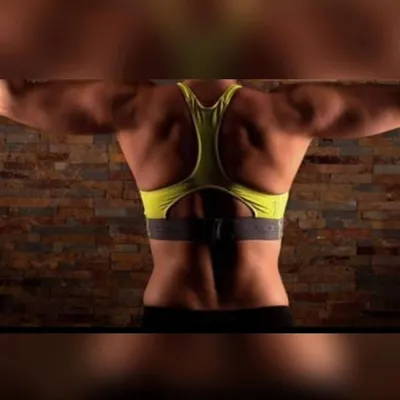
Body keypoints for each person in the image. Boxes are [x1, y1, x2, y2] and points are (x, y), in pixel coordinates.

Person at [0, 78, 399, 331]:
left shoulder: (134, 107)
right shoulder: (287, 112)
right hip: (260, 311)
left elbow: (9, 96)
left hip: (172, 312)